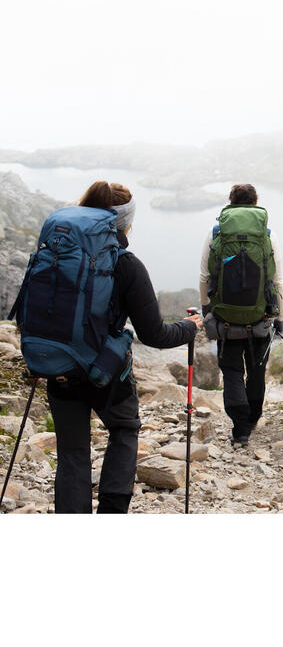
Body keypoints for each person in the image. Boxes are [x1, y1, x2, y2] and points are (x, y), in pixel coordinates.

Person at [44, 181, 202, 513]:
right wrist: (190, 328)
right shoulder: (127, 265)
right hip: (107, 372)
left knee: (73, 453)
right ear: (124, 223)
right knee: (124, 429)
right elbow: (155, 335)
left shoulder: (57, 252)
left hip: (58, 366)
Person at [199, 183, 283, 447]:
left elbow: (205, 276)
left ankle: (240, 430)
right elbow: (278, 281)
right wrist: (280, 318)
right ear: (255, 203)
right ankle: (253, 417)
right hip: (260, 318)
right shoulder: (267, 235)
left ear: (231, 203)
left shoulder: (217, 233)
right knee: (257, 371)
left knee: (232, 372)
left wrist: (207, 310)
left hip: (225, 318)